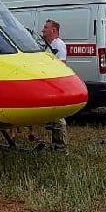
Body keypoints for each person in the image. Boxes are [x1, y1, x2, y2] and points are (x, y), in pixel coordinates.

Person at [40, 19, 68, 150]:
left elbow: (61, 65)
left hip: (56, 84)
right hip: (48, 84)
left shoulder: (59, 45)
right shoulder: (48, 46)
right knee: (51, 114)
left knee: (58, 115)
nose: (43, 30)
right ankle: (54, 142)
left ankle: (60, 145)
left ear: (53, 30)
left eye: (46, 27)